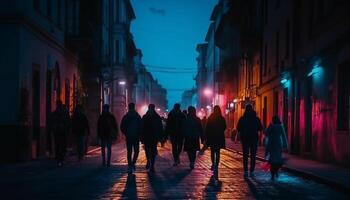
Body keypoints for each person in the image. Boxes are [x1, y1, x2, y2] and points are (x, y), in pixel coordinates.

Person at [237, 104, 263, 178]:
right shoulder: (256, 119)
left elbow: (238, 128)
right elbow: (260, 128)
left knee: (245, 155)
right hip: (254, 139)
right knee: (253, 155)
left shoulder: (242, 118)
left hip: (245, 139)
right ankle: (252, 171)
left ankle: (245, 171)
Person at [120, 103, 142, 173]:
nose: (131, 108)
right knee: (132, 151)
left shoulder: (135, 116)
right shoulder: (129, 116)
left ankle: (132, 163)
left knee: (134, 151)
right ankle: (131, 163)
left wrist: (126, 133)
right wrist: (126, 133)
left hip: (133, 136)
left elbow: (141, 126)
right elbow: (122, 126)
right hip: (131, 136)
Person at [141, 104, 163, 172]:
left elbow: (160, 127)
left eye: (152, 108)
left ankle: (152, 165)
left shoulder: (156, 117)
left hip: (154, 136)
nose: (151, 109)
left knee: (153, 150)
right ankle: (148, 161)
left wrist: (160, 136)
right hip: (147, 136)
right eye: (150, 108)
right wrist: (141, 136)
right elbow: (142, 127)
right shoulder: (145, 117)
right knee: (147, 150)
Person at [265, 116, 288, 180]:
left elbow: (266, 133)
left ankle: (272, 174)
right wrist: (285, 145)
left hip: (272, 143)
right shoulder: (280, 126)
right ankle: (276, 171)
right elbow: (283, 135)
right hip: (278, 144)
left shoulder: (271, 126)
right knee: (278, 158)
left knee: (272, 160)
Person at [205, 106, 226, 173]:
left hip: (212, 137)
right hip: (219, 137)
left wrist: (207, 136)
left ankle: (213, 164)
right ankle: (216, 165)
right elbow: (224, 127)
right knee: (217, 152)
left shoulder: (210, 118)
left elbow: (207, 128)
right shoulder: (222, 118)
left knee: (212, 151)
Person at [49, 100, 70, 166]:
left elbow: (51, 122)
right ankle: (61, 159)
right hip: (63, 132)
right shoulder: (65, 113)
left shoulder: (54, 113)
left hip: (57, 132)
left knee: (58, 145)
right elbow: (68, 122)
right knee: (63, 145)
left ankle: (58, 159)